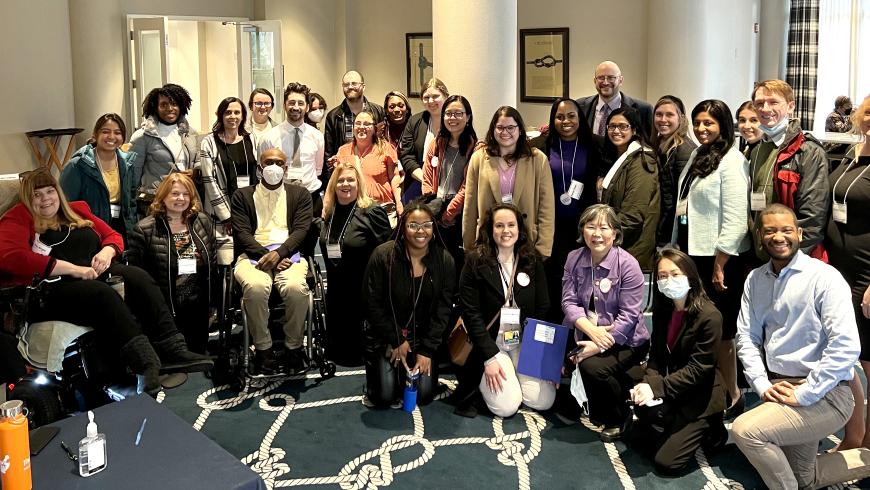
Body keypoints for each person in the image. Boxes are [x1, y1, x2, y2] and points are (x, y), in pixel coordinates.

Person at [0, 170, 211, 395]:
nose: (46, 199)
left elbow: (113, 236)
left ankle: (173, 348)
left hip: (94, 272)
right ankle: (146, 363)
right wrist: (73, 269)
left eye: (50, 191)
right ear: (27, 198)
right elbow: (10, 256)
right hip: (51, 288)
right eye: (37, 195)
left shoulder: (76, 210)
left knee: (139, 278)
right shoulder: (19, 217)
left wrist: (107, 251)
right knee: (102, 293)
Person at [732, 203, 870, 490]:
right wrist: (761, 384)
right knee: (804, 478)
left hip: (827, 393)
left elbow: (845, 347)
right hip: (781, 388)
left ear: (800, 233)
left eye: (786, 229)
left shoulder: (825, 278)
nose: (778, 237)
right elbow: (746, 337)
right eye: (770, 231)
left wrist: (806, 393)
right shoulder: (755, 280)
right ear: (760, 236)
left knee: (746, 431)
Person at [673, 99, 750, 419]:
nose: (702, 128)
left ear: (724, 125)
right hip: (694, 252)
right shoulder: (697, 154)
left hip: (719, 260)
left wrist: (720, 262)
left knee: (723, 331)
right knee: (698, 325)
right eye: (698, 122)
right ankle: (709, 389)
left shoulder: (732, 160)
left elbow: (736, 218)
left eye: (710, 123)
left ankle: (733, 395)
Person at [629, 248, 726, 475]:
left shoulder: (710, 316)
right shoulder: (664, 311)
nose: (668, 280)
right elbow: (656, 357)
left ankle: (713, 427)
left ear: (690, 276)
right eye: (662, 276)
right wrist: (648, 384)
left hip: (700, 395)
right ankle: (674, 423)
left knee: (666, 463)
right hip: (675, 388)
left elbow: (698, 370)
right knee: (638, 421)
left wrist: (655, 387)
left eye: (675, 274)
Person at [456, 203, 551, 418]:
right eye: (499, 225)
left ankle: (516, 375)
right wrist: (489, 359)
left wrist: (543, 359)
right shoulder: (475, 261)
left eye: (511, 225)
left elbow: (542, 308)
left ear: (520, 229)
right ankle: (492, 381)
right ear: (490, 229)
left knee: (544, 400)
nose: (505, 231)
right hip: (490, 344)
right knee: (507, 407)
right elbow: (471, 314)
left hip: (522, 342)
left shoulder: (531, 260)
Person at [565, 205, 649, 442]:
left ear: (615, 233)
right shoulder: (574, 258)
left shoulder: (628, 265)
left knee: (591, 367)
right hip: (589, 332)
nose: (597, 234)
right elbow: (568, 301)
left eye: (604, 227)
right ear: (583, 230)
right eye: (591, 227)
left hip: (628, 340)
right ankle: (625, 381)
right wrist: (590, 333)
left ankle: (620, 417)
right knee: (571, 359)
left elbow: (629, 316)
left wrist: (599, 345)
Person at [362, 200, 456, 408]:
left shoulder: (445, 261)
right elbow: (371, 303)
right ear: (403, 228)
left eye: (427, 225)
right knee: (384, 397)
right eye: (413, 225)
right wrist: (395, 339)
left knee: (422, 396)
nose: (420, 231)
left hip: (422, 339)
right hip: (385, 336)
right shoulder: (382, 256)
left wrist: (428, 351)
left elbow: (443, 310)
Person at [231, 148, 313, 375]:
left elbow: (302, 230)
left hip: (291, 255)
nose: (274, 167)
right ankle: (263, 348)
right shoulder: (242, 196)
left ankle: (293, 348)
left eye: (279, 163)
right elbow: (242, 233)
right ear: (259, 168)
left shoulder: (300, 195)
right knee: (256, 287)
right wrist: (269, 257)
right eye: (269, 162)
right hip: (252, 255)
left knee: (297, 289)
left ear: (286, 169)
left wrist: (281, 254)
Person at [530, 97, 602, 322]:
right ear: (553, 120)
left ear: (580, 118)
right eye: (560, 117)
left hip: (583, 228)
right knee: (553, 281)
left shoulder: (595, 144)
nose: (566, 121)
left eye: (571, 116)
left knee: (581, 280)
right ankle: (552, 332)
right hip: (551, 226)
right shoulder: (540, 146)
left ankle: (578, 330)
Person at [128, 172, 216, 354]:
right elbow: (137, 276)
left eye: (186, 194)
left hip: (198, 301)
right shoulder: (145, 229)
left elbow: (212, 261)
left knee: (198, 354)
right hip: (165, 306)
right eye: (175, 193)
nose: (181, 199)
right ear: (163, 196)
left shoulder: (201, 220)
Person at [826, 94, 870, 450]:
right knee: (845, 356)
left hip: (866, 276)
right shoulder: (851, 154)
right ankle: (855, 435)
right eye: (868, 112)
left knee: (868, 362)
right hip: (839, 272)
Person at [319, 161, 392, 366]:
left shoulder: (371, 212)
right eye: (340, 180)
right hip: (335, 286)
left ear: (358, 183)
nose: (345, 184)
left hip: (363, 289)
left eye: (350, 179)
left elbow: (388, 251)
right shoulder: (329, 212)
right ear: (333, 185)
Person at [748, 80, 828, 262]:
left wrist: (789, 259)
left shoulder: (808, 150)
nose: (765, 109)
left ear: (791, 106)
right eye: (759, 104)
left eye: (773, 102)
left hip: (790, 256)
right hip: (761, 253)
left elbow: (813, 217)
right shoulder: (756, 150)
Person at [463, 106, 555, 258]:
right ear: (493, 130)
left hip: (527, 242)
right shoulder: (478, 158)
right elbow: (470, 206)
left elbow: (546, 208)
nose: (505, 132)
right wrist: (469, 246)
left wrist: (543, 248)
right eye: (500, 127)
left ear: (520, 129)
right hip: (488, 242)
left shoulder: (537, 159)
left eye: (511, 127)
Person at [258, 82, 325, 257]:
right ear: (285, 105)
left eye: (301, 103)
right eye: (292, 102)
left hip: (310, 197)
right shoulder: (269, 137)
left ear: (307, 107)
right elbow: (262, 171)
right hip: (281, 198)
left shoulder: (317, 136)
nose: (296, 107)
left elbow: (318, 169)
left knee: (308, 248)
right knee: (283, 245)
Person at [600, 107, 660, 271]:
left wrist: (602, 235)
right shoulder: (622, 157)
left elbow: (634, 214)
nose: (616, 131)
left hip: (633, 248)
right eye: (612, 126)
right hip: (620, 243)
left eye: (623, 126)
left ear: (634, 130)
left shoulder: (642, 160)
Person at [200, 97, 259, 264]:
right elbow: (209, 180)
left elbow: (257, 174)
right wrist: (226, 216)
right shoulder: (209, 142)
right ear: (220, 115)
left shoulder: (251, 139)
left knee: (248, 259)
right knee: (225, 261)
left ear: (243, 115)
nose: (233, 116)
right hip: (221, 213)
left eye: (237, 112)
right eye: (228, 112)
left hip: (247, 209)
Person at [60, 113, 137, 241]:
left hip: (121, 225)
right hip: (90, 229)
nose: (112, 137)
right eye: (106, 132)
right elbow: (66, 205)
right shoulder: (78, 164)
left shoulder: (127, 163)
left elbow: (132, 199)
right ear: (95, 135)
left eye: (117, 132)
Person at [422, 94, 477, 270]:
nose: (452, 118)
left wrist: (449, 213)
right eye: (448, 113)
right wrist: (432, 207)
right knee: (434, 259)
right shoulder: (437, 142)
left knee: (455, 261)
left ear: (468, 117)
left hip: (459, 214)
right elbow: (427, 175)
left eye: (458, 113)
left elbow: (467, 187)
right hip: (436, 209)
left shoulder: (475, 148)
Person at [130, 83, 198, 218]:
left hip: (185, 201)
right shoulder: (142, 136)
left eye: (174, 104)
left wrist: (194, 171)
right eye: (164, 104)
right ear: (155, 107)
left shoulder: (190, 133)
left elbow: (198, 160)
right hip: (156, 202)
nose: (170, 108)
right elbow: (132, 177)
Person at [335, 110, 402, 221]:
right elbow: (337, 182)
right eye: (358, 123)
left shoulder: (386, 148)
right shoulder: (343, 151)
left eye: (367, 124)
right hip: (351, 211)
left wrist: (399, 203)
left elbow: (395, 177)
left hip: (382, 209)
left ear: (375, 128)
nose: (362, 127)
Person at [651, 96, 696, 247]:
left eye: (669, 114)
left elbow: (679, 197)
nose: (663, 119)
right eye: (659, 114)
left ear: (681, 118)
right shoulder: (658, 144)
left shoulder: (684, 149)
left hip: (671, 229)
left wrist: (664, 233)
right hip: (660, 223)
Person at [400, 78, 449, 204]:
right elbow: (406, 155)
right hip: (419, 178)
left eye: (435, 96)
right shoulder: (414, 121)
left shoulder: (454, 122)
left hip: (448, 181)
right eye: (426, 97)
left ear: (446, 96)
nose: (431, 101)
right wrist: (426, 179)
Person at [576, 61, 654, 141]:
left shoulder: (643, 110)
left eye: (611, 78)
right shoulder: (580, 106)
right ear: (595, 81)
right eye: (601, 78)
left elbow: (649, 142)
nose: (605, 82)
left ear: (621, 80)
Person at [324, 71, 385, 162]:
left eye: (354, 83)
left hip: (372, 167)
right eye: (346, 84)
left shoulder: (378, 111)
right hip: (344, 170)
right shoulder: (333, 116)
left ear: (363, 87)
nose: (350, 87)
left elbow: (383, 143)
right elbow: (328, 153)